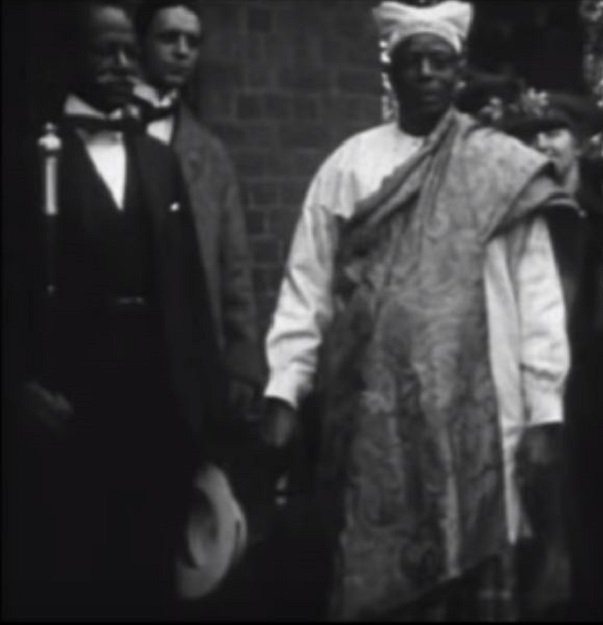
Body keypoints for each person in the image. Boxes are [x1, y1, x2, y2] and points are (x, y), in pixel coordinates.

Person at [260, 1, 575, 620]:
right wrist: (283, 391)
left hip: (485, 421)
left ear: (459, 73)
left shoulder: (498, 168)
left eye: (441, 61)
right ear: (392, 74)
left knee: (478, 578)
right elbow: (308, 284)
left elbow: (536, 295)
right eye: (414, 61)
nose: (427, 72)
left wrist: (545, 412)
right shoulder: (347, 166)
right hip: (373, 420)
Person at [3, 0, 226, 618]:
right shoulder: (31, 158)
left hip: (155, 403)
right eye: (106, 50)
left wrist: (207, 406)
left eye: (130, 51)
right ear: (73, 58)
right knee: (78, 568)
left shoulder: (160, 163)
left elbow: (188, 291)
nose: (122, 64)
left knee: (153, 570)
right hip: (74, 405)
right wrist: (19, 382)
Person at [498, 90, 603, 620]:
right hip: (537, 385)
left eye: (555, 130)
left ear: (579, 141)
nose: (543, 143)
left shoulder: (596, 210)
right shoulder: (521, 215)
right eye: (532, 133)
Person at [133, 0, 263, 421]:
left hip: (188, 353)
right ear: (140, 44)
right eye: (169, 38)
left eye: (192, 41)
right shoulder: (105, 132)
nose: (182, 51)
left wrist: (243, 365)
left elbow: (234, 267)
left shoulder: (209, 154)